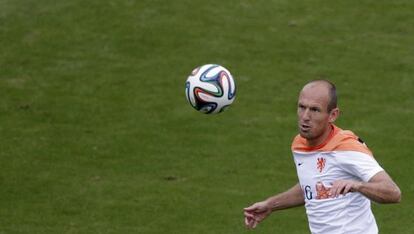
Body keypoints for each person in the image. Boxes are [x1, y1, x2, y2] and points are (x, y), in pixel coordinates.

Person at [243, 80, 401, 234]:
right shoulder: (300, 144)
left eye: (314, 110)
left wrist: (357, 186)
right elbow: (312, 185)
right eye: (301, 107)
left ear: (333, 115)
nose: (305, 116)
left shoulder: (347, 148)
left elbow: (393, 192)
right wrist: (271, 205)